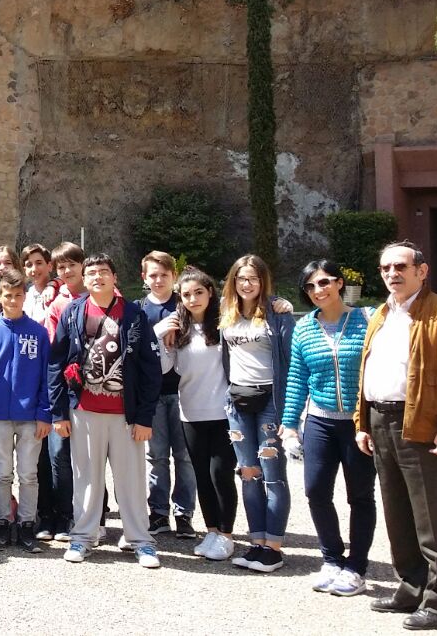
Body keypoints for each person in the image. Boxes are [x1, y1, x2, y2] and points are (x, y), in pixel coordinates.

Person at [356, 241, 437, 630]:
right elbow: (368, 369)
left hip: (422, 425)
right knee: (398, 513)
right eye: (385, 268)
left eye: (401, 266)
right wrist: (362, 421)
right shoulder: (381, 313)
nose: (392, 273)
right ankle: (411, 586)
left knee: (434, 519)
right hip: (381, 421)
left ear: (421, 271)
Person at [50, 253, 162, 569]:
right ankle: (83, 537)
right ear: (84, 280)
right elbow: (56, 362)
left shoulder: (135, 314)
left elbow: (150, 368)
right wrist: (58, 413)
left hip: (126, 414)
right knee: (86, 478)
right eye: (92, 273)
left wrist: (144, 417)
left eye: (103, 271)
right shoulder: (73, 312)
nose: (98, 277)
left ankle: (141, 541)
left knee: (132, 480)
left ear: (115, 277)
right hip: (84, 410)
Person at [282, 259, 375, 597]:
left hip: (357, 424)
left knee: (360, 495)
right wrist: (290, 426)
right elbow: (297, 378)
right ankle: (332, 559)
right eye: (310, 286)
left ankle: (356, 567)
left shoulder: (366, 320)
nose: (317, 290)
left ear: (339, 282)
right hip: (320, 421)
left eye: (323, 282)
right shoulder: (304, 327)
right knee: (316, 491)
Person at [156, 267, 239, 563]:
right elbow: (166, 368)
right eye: (187, 294)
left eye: (198, 292)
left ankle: (227, 535)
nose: (193, 299)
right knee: (202, 476)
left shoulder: (227, 325)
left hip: (223, 414)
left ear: (210, 293)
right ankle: (212, 531)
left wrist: (280, 305)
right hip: (190, 413)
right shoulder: (180, 330)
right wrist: (161, 334)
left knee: (221, 474)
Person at [220, 253, 294, 573]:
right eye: (241, 278)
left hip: (270, 402)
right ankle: (257, 542)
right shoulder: (227, 313)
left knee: (273, 476)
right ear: (233, 282)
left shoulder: (278, 312)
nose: (246, 284)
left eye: (252, 278)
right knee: (248, 473)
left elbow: (292, 359)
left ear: (263, 281)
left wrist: (292, 410)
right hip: (237, 401)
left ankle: (274, 547)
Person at [0, 270, 51, 553]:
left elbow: (47, 376)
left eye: (19, 295)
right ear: (0, 297)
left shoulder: (39, 333)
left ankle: (28, 524)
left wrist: (45, 413)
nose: (14, 300)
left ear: (25, 297)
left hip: (31, 416)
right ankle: (3, 523)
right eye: (8, 295)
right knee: (2, 473)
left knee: (29, 474)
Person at [139, 251, 195, 540]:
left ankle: (184, 513)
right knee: (157, 456)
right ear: (144, 278)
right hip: (153, 395)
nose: (158, 280)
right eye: (153, 275)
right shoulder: (139, 310)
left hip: (185, 391)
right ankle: (158, 512)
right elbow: (133, 347)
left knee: (185, 457)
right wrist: (157, 332)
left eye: (164, 274)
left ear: (174, 277)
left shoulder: (184, 304)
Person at [37, 240, 85, 541]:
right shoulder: (56, 304)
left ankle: (86, 514)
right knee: (57, 454)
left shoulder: (100, 295)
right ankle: (58, 514)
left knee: (89, 457)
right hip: (60, 384)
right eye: (62, 266)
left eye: (72, 265)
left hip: (92, 388)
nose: (67, 270)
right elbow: (54, 349)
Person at [20, 244, 56, 321]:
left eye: (39, 263)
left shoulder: (58, 293)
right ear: (25, 270)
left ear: (49, 266)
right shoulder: (25, 297)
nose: (34, 269)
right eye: (29, 265)